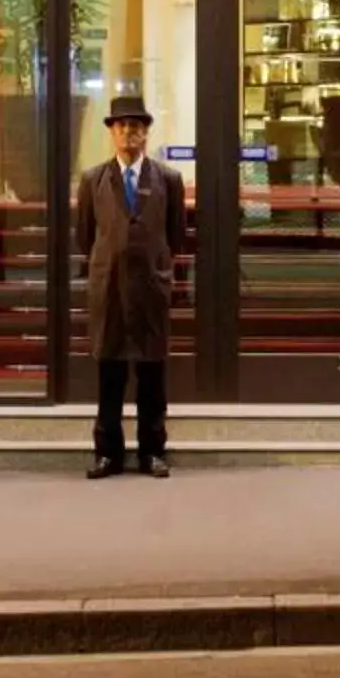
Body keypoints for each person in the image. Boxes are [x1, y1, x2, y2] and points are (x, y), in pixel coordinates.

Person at [72, 91, 189, 478]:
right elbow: (85, 236)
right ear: (112, 132)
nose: (128, 133)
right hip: (108, 290)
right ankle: (107, 454)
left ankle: (153, 452)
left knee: (152, 377)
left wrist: (156, 269)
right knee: (110, 376)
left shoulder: (169, 180)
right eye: (122, 126)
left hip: (150, 290)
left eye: (136, 127)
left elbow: (176, 234)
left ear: (146, 133)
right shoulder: (92, 181)